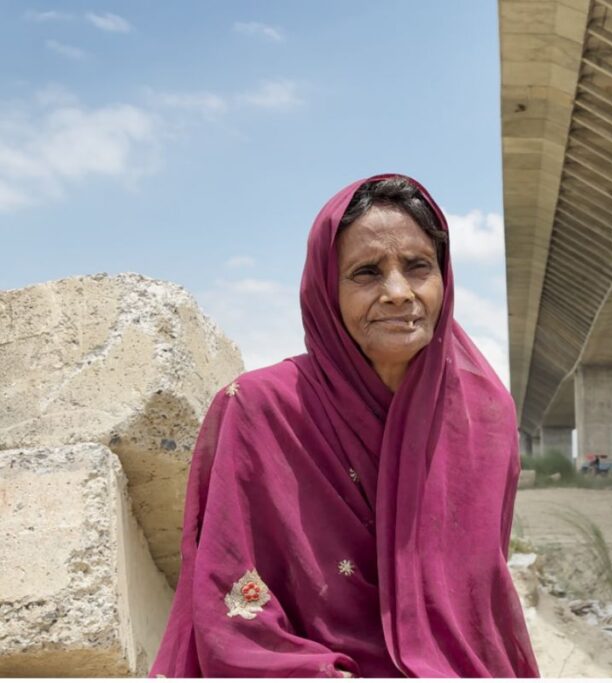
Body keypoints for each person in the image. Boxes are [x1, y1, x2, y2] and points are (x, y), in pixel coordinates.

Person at [148, 174, 540, 677]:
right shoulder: (262, 410)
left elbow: (475, 598)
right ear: (325, 289)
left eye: (418, 267)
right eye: (367, 272)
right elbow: (231, 603)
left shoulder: (485, 416)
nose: (398, 292)